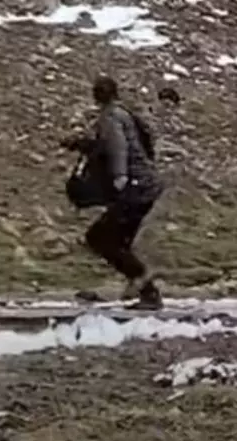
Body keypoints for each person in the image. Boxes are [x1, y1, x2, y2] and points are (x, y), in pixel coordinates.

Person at [63, 75, 165, 309]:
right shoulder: (124, 114)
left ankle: (144, 285)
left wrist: (120, 178)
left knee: (100, 238)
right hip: (146, 187)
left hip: (136, 188)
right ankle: (141, 288)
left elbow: (118, 147)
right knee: (117, 240)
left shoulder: (110, 117)